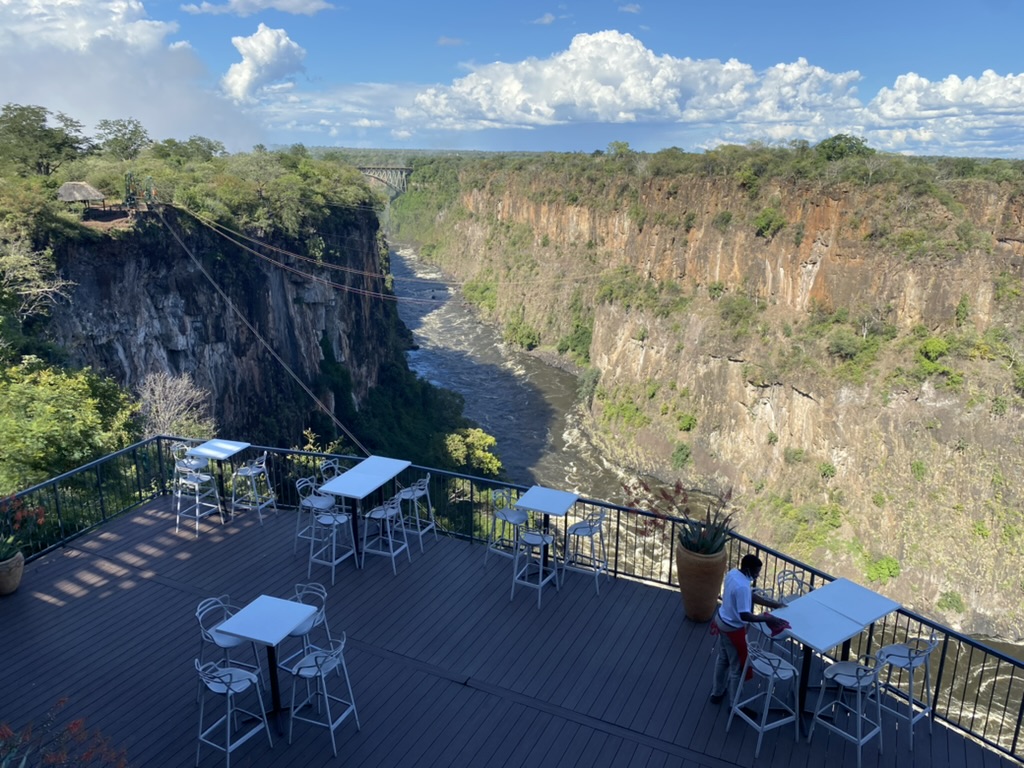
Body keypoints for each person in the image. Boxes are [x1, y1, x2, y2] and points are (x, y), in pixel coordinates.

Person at [709, 554, 787, 705]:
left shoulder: (733, 574)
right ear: (747, 569)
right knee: (737, 668)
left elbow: (750, 596)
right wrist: (767, 618)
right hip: (733, 629)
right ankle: (735, 703)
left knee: (723, 658)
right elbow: (745, 615)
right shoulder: (742, 586)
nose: (757, 575)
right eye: (756, 571)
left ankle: (717, 693)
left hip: (721, 620)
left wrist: (773, 604)